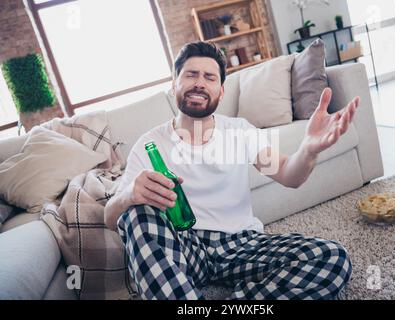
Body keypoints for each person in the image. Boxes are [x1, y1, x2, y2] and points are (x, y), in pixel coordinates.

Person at [104, 41, 359, 300]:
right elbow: (110, 217)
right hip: (184, 247)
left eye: (209, 77)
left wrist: (308, 149)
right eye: (191, 74)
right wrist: (129, 196)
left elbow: (288, 174)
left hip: (242, 244)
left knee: (332, 258)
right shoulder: (150, 144)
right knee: (134, 212)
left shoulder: (239, 131)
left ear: (221, 91)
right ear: (174, 85)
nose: (199, 83)